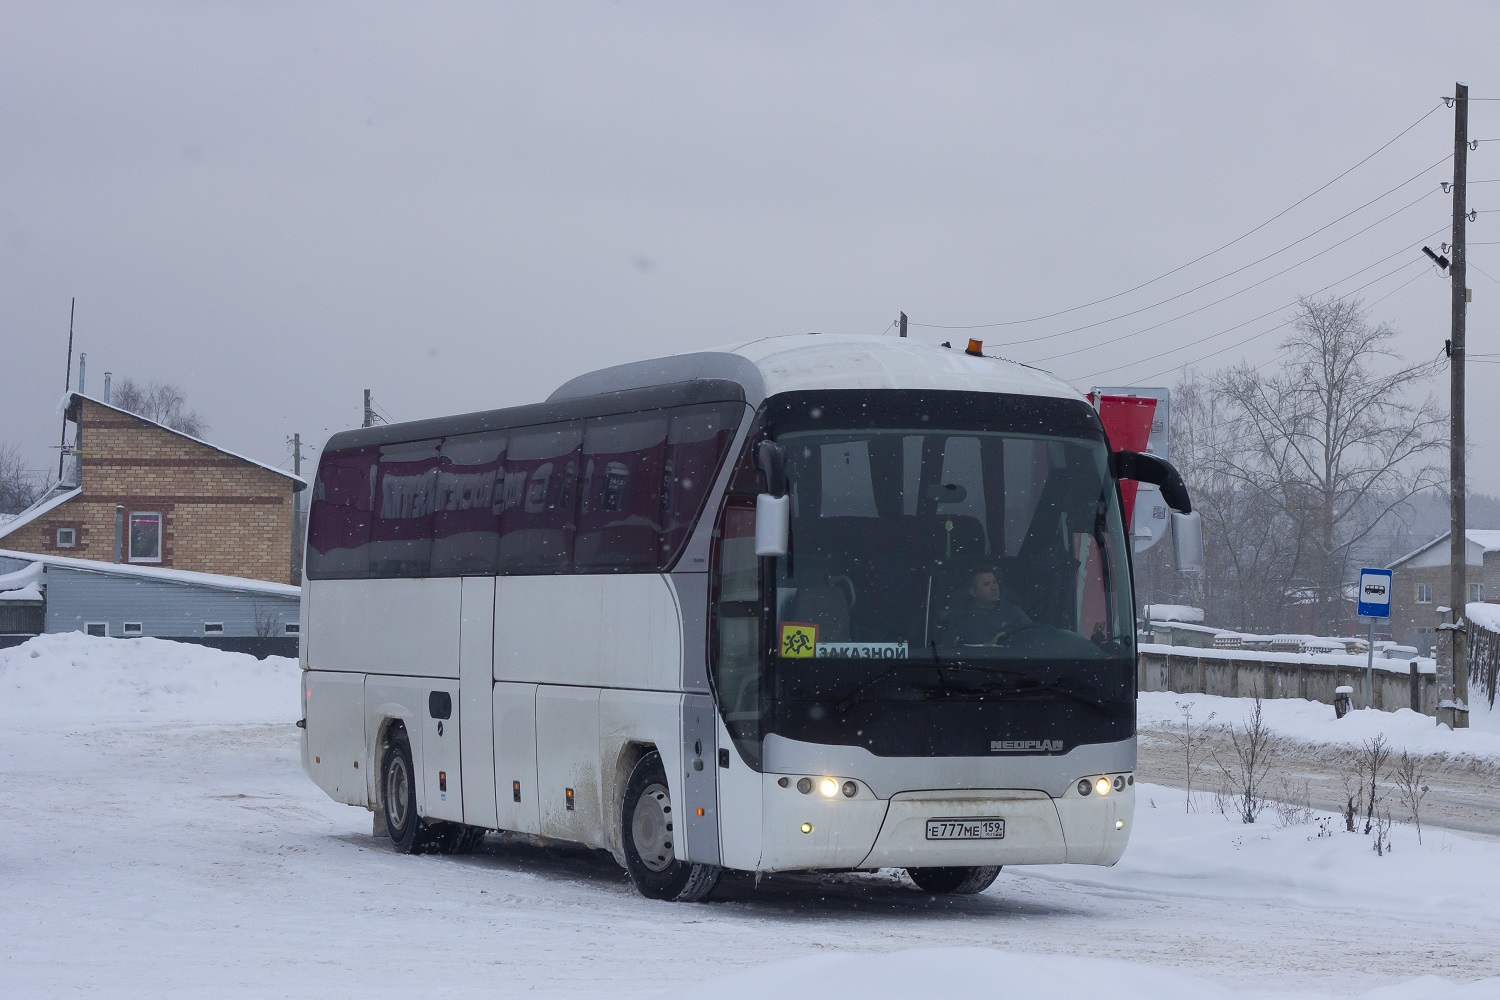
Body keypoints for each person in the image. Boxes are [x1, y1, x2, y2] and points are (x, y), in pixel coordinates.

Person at [945, 566, 1031, 646]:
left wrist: (1010, 639)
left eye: (995, 582)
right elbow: (947, 649)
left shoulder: (1013, 612)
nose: (994, 588)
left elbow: (1032, 637)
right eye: (987, 584)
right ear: (973, 592)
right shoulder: (961, 618)